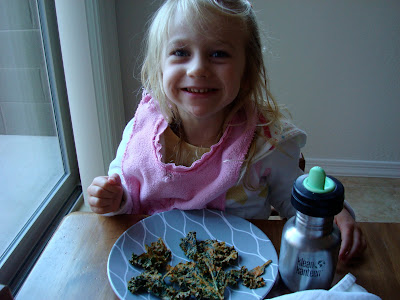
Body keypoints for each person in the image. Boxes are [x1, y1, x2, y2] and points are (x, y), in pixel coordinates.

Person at [87, 0, 365, 262]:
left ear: (247, 70)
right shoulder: (143, 128)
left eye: (218, 54)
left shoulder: (265, 144)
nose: (197, 69)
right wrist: (115, 197)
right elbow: (124, 184)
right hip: (153, 263)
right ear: (160, 65)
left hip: (237, 272)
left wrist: (328, 214)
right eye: (181, 52)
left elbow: (293, 202)